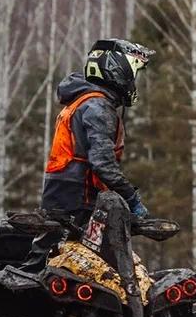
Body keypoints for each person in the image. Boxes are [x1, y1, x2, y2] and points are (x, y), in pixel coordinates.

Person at [41, 38, 155, 221]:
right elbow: (103, 163)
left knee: (52, 248)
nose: (133, 81)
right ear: (118, 70)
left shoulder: (83, 100)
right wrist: (131, 198)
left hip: (62, 194)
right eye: (133, 74)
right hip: (78, 197)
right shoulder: (98, 106)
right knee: (84, 249)